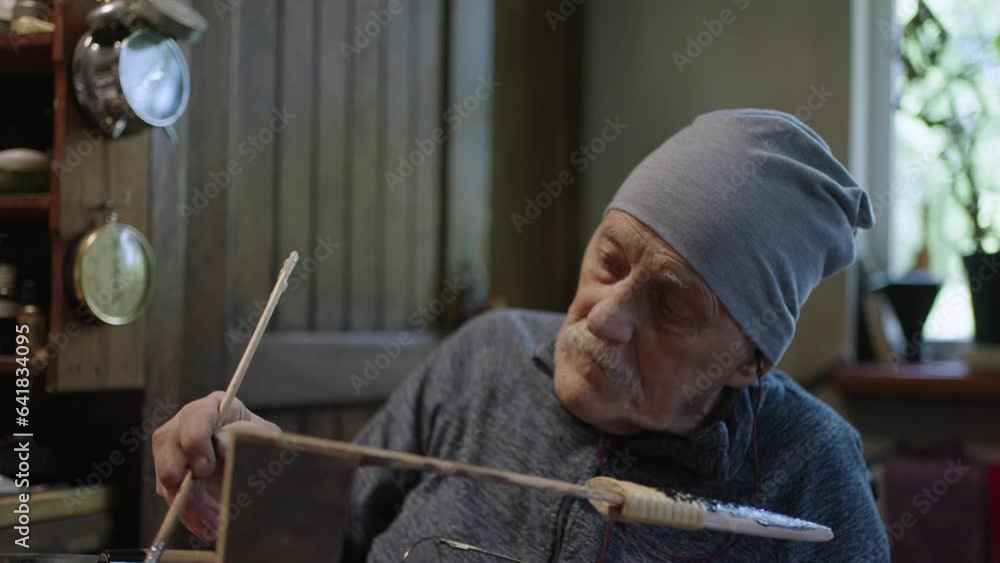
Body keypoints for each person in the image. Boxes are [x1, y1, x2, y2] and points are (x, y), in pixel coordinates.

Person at [153, 109, 890, 562]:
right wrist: (242, 489)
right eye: (610, 260)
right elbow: (328, 542)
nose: (604, 315)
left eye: (668, 305)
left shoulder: (810, 468)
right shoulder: (485, 357)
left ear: (749, 361)